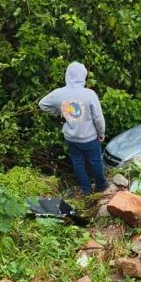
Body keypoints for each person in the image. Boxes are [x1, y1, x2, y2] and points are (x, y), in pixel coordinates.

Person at [39, 62, 107, 195]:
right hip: (89, 137)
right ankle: (100, 185)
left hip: (71, 137)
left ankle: (86, 189)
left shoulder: (59, 94)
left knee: (78, 162)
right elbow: (98, 118)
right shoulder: (89, 94)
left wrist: (58, 112)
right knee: (95, 161)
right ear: (83, 76)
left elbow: (42, 104)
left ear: (67, 75)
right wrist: (101, 133)